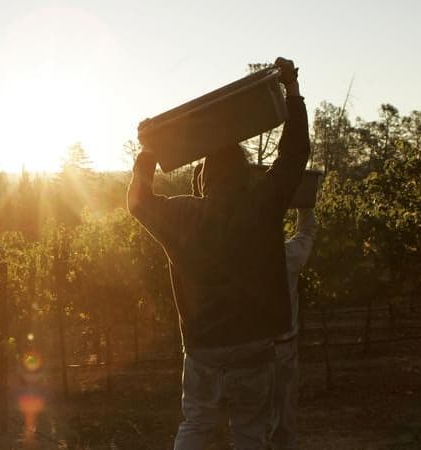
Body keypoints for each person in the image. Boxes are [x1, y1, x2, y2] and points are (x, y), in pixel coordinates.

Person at [127, 57, 310, 450]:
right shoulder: (262, 204)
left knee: (196, 424)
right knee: (250, 432)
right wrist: (292, 90)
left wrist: (150, 150)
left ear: (202, 180)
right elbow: (294, 155)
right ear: (244, 176)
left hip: (203, 349)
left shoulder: (181, 215)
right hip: (255, 346)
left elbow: (138, 202)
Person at [271, 208, 316, 450]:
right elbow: (306, 231)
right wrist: (305, 205)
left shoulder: (244, 260)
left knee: (252, 419)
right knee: (285, 416)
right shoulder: (289, 255)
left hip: (252, 349)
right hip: (284, 347)